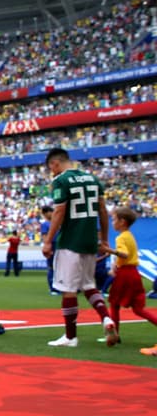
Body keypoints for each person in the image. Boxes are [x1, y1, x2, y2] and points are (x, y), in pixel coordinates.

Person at [43, 149, 118, 348]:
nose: (51, 172)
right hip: (89, 241)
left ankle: (70, 336)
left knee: (68, 289)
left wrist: (48, 241)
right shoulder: (93, 179)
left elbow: (59, 211)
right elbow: (103, 211)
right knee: (89, 285)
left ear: (55, 163)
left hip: (70, 241)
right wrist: (104, 239)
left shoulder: (61, 181)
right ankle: (106, 319)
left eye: (51, 168)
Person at [100, 207, 157, 353]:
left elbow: (124, 254)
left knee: (114, 304)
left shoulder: (121, 238)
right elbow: (128, 255)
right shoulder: (129, 236)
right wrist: (115, 264)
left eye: (114, 219)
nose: (113, 222)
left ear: (122, 222)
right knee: (138, 309)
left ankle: (115, 335)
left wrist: (109, 250)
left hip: (125, 274)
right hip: (134, 273)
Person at [39, 205, 57, 294]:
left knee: (59, 267)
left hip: (59, 245)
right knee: (52, 267)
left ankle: (58, 287)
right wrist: (48, 245)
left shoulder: (57, 222)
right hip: (52, 245)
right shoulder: (45, 224)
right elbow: (44, 236)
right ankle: (52, 288)